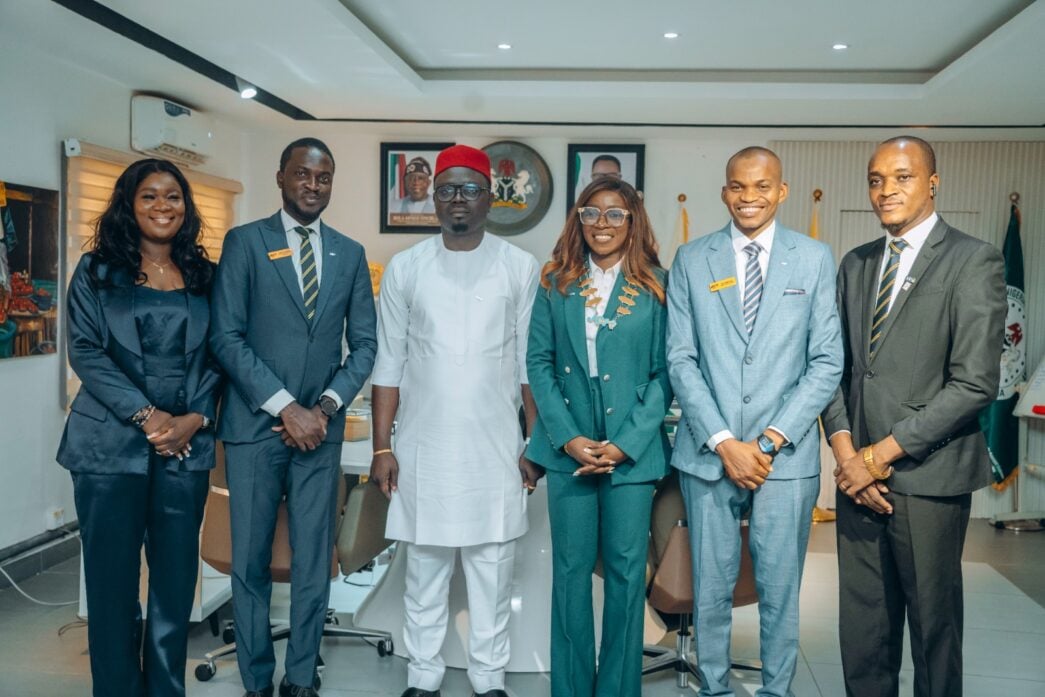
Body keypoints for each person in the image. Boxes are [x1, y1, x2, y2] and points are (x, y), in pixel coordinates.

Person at [822, 136, 1006, 697]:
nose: (886, 190)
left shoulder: (974, 259)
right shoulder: (856, 263)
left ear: (932, 182)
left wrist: (881, 455)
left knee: (933, 629)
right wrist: (848, 454)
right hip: (858, 482)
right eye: (876, 179)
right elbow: (836, 369)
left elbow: (975, 383)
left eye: (902, 177)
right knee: (864, 634)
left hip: (928, 479)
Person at [666, 147, 843, 697]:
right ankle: (713, 688)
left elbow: (827, 361)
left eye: (761, 186)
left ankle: (775, 690)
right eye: (738, 187)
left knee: (779, 588)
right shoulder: (692, 258)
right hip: (708, 455)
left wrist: (767, 441)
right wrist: (723, 442)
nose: (749, 197)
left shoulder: (812, 258)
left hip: (783, 460)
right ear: (724, 192)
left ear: (781, 191)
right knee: (710, 589)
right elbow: (680, 358)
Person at [369, 144, 540, 697]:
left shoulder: (519, 266)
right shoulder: (406, 267)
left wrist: (535, 442)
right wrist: (381, 448)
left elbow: (527, 366)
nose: (458, 200)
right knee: (424, 575)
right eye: (447, 190)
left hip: (494, 450)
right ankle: (423, 677)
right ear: (433, 198)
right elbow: (388, 363)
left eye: (470, 189)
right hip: (424, 448)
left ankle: (489, 680)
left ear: (491, 197)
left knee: (493, 576)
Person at [210, 137, 377, 697]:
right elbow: (226, 338)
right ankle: (257, 679)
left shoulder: (349, 254)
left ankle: (300, 677)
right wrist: (286, 407)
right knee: (250, 562)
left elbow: (367, 347)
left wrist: (325, 407)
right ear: (281, 177)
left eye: (324, 177)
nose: (313, 185)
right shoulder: (244, 243)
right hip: (255, 429)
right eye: (303, 175)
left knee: (313, 561)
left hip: (320, 436)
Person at [58, 158, 222, 697]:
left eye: (172, 196)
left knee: (175, 589)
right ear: (129, 204)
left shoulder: (206, 277)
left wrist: (195, 417)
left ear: (186, 206)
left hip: (185, 449)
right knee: (111, 587)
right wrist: (147, 415)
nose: (161, 206)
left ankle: (165, 690)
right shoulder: (96, 272)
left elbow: (223, 354)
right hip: (109, 449)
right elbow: (85, 351)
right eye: (148, 196)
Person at [526, 177, 672, 697]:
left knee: (627, 577)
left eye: (615, 214)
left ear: (633, 221)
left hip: (631, 457)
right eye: (592, 213)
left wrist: (626, 442)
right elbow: (538, 365)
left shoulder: (657, 284)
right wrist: (567, 439)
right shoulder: (555, 282)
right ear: (578, 220)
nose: (602, 224)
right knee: (569, 577)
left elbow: (664, 374)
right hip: (569, 455)